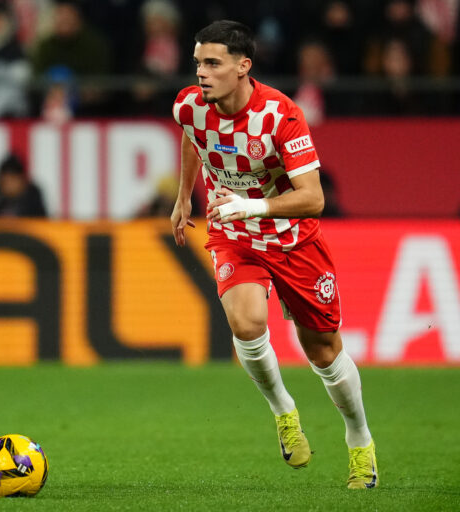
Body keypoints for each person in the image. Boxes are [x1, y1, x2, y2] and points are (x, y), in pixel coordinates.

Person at [170, 20, 377, 490]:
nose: (201, 73)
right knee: (245, 323)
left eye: (212, 64)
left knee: (322, 350)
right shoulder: (189, 104)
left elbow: (313, 198)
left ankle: (359, 439)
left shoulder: (280, 115)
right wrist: (184, 197)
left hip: (293, 240)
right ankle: (284, 412)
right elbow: (192, 137)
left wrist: (252, 204)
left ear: (243, 67)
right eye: (198, 62)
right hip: (235, 234)